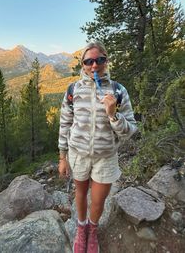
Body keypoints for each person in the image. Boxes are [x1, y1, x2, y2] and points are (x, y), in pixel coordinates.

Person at [58, 42, 137, 253]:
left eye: (99, 60)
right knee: (81, 194)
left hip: (106, 157)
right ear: (82, 65)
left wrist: (113, 114)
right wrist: (62, 157)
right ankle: (81, 229)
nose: (94, 66)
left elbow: (130, 131)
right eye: (89, 61)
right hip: (79, 154)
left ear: (106, 61)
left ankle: (92, 230)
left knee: (99, 199)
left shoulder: (118, 90)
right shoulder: (73, 90)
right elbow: (65, 123)